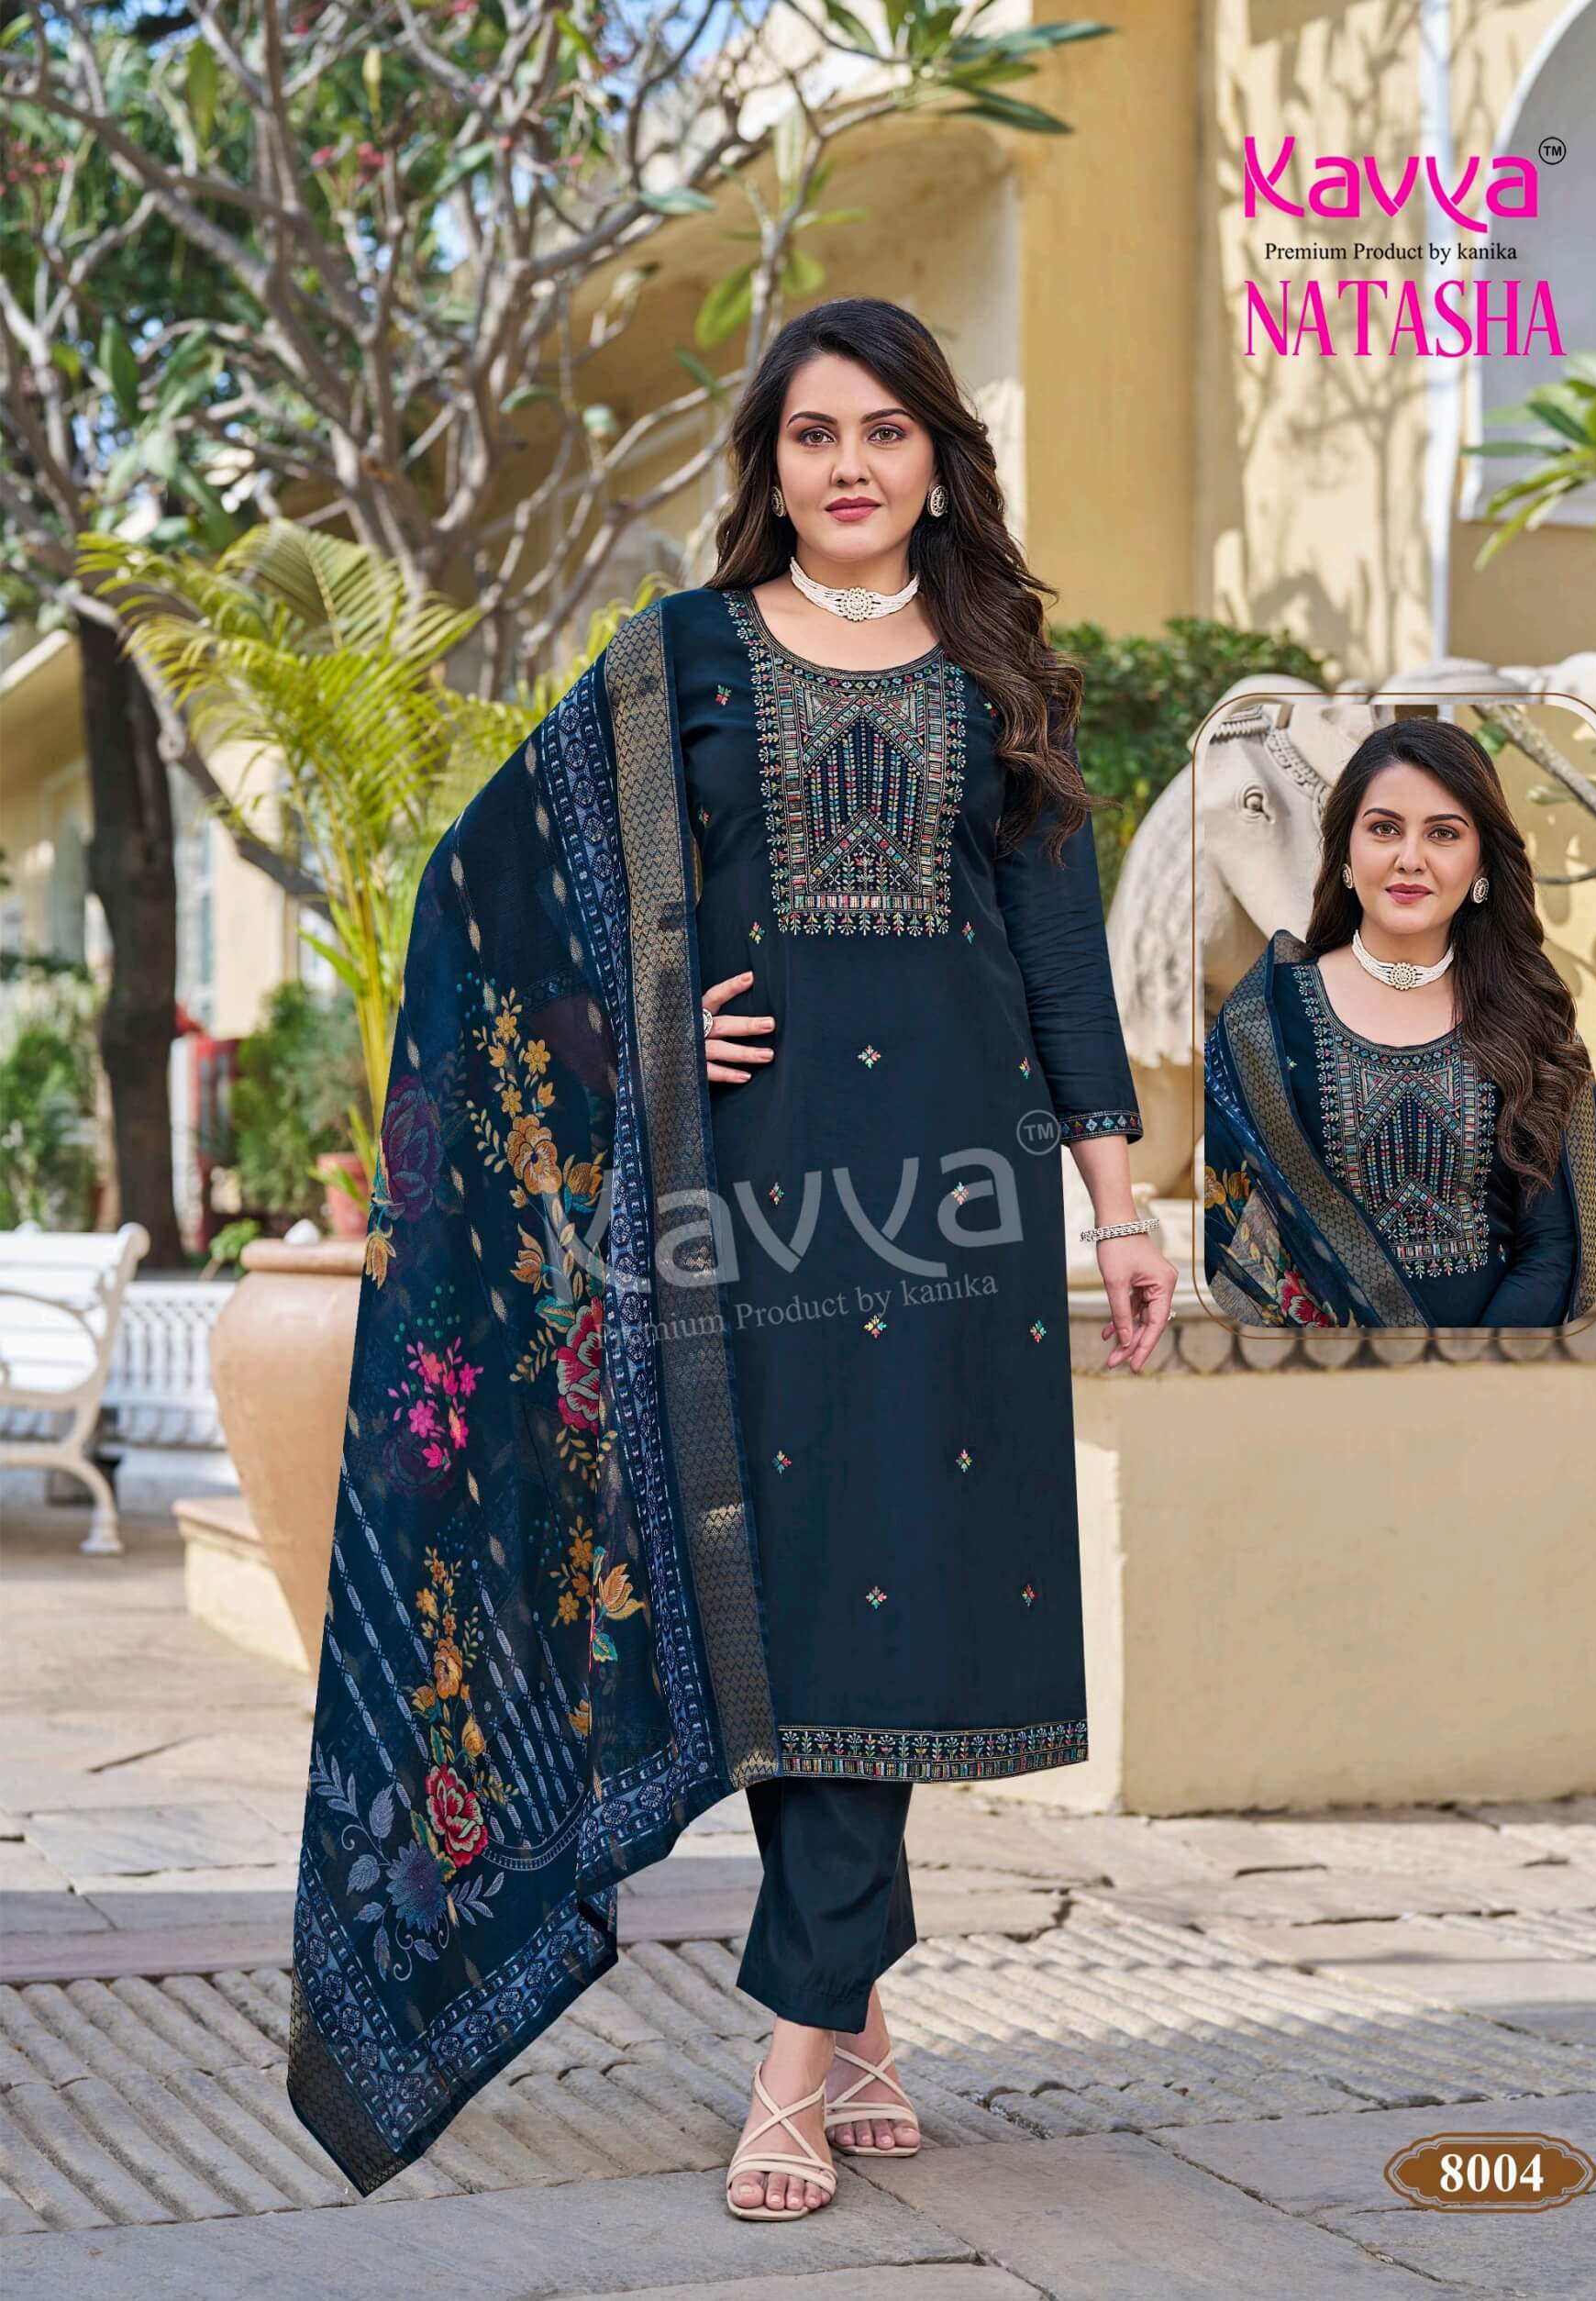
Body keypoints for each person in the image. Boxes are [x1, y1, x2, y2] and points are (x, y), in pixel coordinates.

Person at [285, 297, 1177, 2216]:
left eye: (885, 431)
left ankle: (793, 2048)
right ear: (770, 465)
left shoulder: (1006, 669)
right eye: (812, 435)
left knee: (892, 1580)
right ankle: (847, 2011)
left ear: (939, 458)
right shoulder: (672, 661)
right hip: (743, 1189)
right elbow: (490, 894)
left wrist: (1118, 1205)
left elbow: (1057, 957)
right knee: (783, 1586)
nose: (850, 466)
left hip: (954, 1191)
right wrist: (643, 1024)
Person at [1203, 717, 1596, 1329]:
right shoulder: (1264, 1020)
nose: (1410, 859)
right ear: (1345, 852)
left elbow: (1556, 1247)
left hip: (1495, 1373)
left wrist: (1461, 1372)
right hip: (1312, 1375)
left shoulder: (1532, 1022)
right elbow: (1228, 1229)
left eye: (1443, 833)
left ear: (1481, 864)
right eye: (1384, 829)